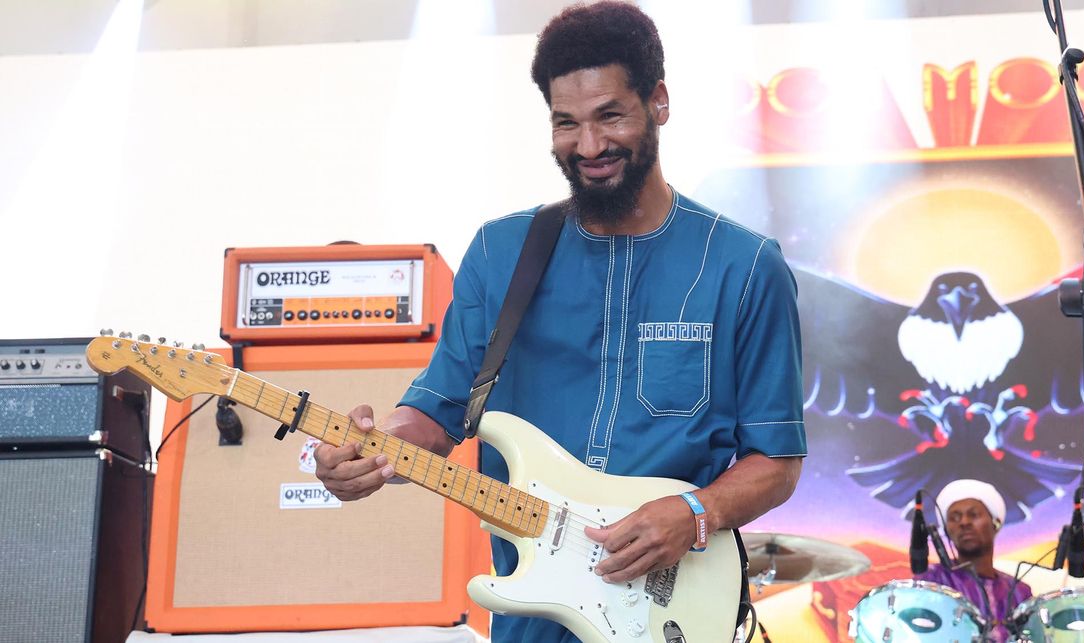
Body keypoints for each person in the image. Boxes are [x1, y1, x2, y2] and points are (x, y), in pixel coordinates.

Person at [314, 3, 806, 642]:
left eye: (610, 116)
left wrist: (695, 511)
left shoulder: (745, 266)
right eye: (566, 123)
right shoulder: (499, 253)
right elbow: (437, 412)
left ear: (658, 102)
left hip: (675, 612)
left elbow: (777, 459)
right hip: (530, 614)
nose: (590, 146)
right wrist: (372, 452)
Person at [917, 479, 1033, 643]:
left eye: (974, 515)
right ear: (947, 532)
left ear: (996, 524)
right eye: (954, 518)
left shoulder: (1020, 591)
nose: (964, 522)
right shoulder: (933, 580)